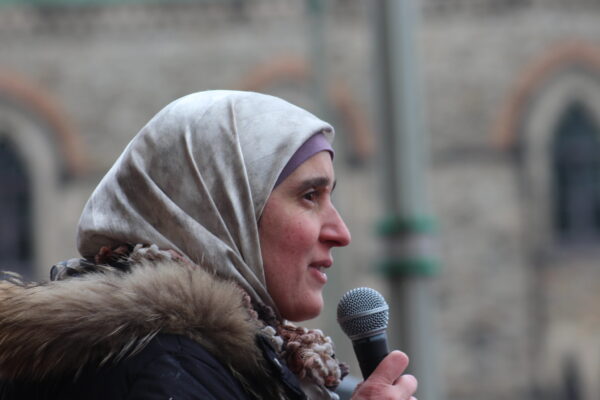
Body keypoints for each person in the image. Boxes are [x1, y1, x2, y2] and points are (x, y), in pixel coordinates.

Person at [0, 91, 418, 399]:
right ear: (219, 207)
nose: (340, 232)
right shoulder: (159, 367)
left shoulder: (215, 359)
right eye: (310, 197)